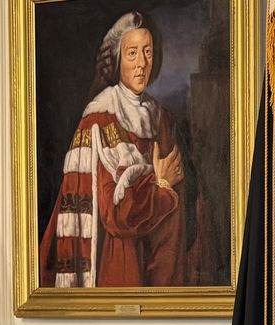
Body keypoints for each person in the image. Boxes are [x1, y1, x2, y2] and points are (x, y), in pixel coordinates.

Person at [38, 11, 205, 287]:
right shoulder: (99, 120)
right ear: (117, 59)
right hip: (118, 266)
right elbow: (116, 216)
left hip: (160, 265)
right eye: (132, 53)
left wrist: (156, 190)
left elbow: (183, 197)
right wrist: (160, 187)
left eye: (148, 52)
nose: (142, 63)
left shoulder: (162, 118)